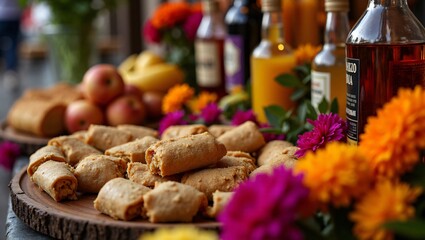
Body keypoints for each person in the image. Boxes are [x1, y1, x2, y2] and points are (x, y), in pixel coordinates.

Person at [0, 0, 22, 89]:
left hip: (2, 14)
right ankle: (11, 72)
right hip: (14, 14)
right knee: (13, 45)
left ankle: (9, 72)